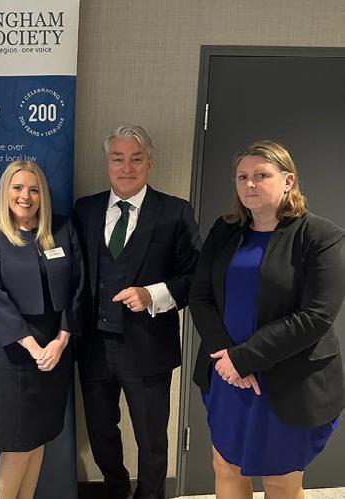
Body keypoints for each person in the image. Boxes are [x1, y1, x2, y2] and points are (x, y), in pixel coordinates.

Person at [189, 140, 344, 499]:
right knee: (225, 467)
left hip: (288, 378)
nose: (250, 184)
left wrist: (245, 358)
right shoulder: (225, 230)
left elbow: (316, 316)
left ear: (288, 181)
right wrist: (226, 356)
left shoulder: (321, 237)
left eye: (261, 175)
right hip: (228, 373)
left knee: (280, 481)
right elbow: (200, 296)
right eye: (242, 176)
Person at [73, 125, 200, 499]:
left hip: (148, 346)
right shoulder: (86, 210)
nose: (126, 167)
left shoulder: (175, 212)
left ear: (149, 163)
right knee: (100, 431)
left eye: (136, 158)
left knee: (151, 436)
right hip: (94, 346)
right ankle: (116, 489)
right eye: (118, 159)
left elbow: (195, 277)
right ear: (107, 163)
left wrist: (152, 294)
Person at [0, 160, 84, 499]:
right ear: (6, 192)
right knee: (17, 443)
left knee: (39, 437)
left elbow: (78, 287)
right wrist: (34, 347)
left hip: (56, 347)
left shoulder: (63, 229)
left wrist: (61, 340)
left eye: (34, 189)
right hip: (14, 351)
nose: (26, 196)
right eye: (18, 188)